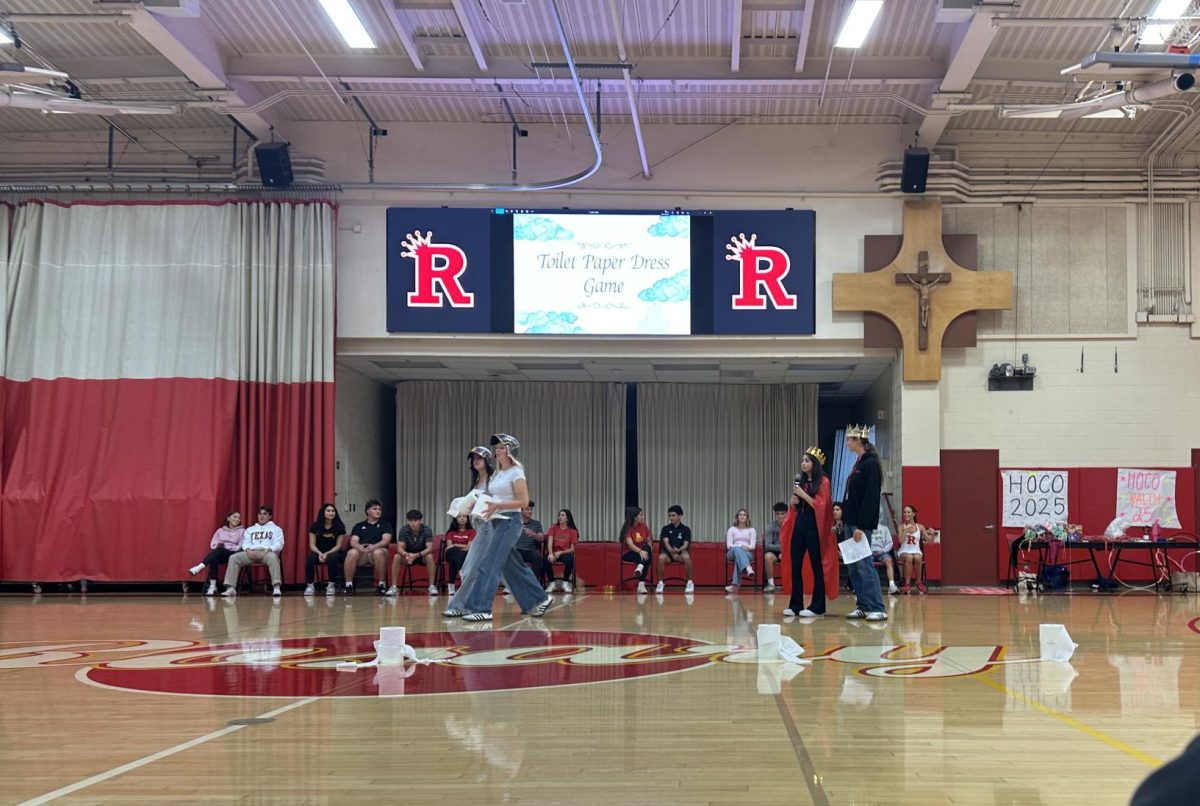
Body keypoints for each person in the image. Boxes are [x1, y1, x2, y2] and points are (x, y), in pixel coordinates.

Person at [443, 433, 552, 622]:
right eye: (497, 447)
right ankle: (539, 599)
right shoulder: (498, 474)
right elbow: (495, 498)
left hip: (510, 522)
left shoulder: (516, 472)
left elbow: (523, 501)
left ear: (510, 450)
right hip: (496, 521)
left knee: (489, 565)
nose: (497, 450)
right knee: (512, 567)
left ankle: (482, 608)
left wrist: (497, 506)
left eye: (501, 447)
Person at [781, 448, 837, 617]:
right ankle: (795, 604)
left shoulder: (823, 482)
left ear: (815, 463)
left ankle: (818, 606)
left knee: (816, 566)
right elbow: (799, 507)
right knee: (795, 564)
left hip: (815, 527)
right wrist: (793, 503)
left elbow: (821, 506)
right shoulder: (802, 482)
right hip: (800, 524)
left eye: (807, 460)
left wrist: (803, 495)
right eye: (802, 460)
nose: (803, 463)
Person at [842, 425, 887, 621]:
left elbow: (870, 498)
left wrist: (861, 526)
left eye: (849, 439)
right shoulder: (858, 463)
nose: (847, 443)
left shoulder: (870, 464)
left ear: (858, 441)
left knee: (865, 565)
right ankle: (864, 605)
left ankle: (877, 606)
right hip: (850, 521)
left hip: (861, 524)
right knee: (853, 566)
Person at [221, 505, 285, 598]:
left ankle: (276, 586)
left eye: (265, 514)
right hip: (251, 552)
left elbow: (279, 544)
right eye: (260, 514)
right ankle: (231, 588)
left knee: (273, 558)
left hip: (267, 552)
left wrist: (267, 550)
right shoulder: (250, 529)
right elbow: (245, 542)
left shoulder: (276, 529)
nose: (261, 516)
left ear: (270, 516)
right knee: (233, 558)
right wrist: (247, 550)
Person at [458, 445, 495, 585]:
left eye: (479, 458)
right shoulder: (477, 481)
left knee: (470, 564)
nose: (476, 460)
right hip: (479, 525)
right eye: (474, 458)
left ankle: (463, 600)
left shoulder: (493, 479)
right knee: (497, 563)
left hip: (489, 524)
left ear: (487, 460)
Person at [342, 499, 393, 596]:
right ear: (367, 511)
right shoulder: (359, 526)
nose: (378, 511)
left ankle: (381, 585)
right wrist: (359, 547)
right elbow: (353, 541)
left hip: (379, 552)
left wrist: (374, 546)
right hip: (363, 553)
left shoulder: (385, 524)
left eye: (379, 509)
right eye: (374, 509)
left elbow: (386, 540)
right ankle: (348, 585)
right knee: (351, 552)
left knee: (378, 552)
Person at [188, 511, 244, 596]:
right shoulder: (220, 531)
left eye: (238, 518)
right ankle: (213, 587)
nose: (237, 519)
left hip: (234, 554)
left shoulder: (242, 531)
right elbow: (213, 544)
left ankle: (199, 567)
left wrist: (228, 547)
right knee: (215, 555)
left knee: (217, 552)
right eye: (234, 517)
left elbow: (241, 545)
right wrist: (219, 545)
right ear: (228, 518)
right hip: (222, 553)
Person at [388, 510, 438, 596]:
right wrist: (406, 554)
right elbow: (400, 548)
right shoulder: (404, 529)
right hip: (408, 556)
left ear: (420, 521)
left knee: (430, 556)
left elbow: (429, 548)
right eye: (410, 520)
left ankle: (432, 586)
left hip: (422, 555)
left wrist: (417, 555)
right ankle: (394, 587)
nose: (413, 523)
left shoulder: (426, 529)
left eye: (415, 520)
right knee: (397, 556)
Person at [303, 503, 346, 596]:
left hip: (334, 551)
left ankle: (331, 585)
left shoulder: (340, 526)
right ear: (323, 513)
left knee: (332, 559)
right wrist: (319, 553)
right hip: (318, 551)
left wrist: (327, 553)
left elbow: (338, 545)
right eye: (328, 511)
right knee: (310, 559)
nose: (331, 513)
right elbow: (312, 544)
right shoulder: (315, 526)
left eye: (333, 511)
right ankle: (310, 586)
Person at [655, 505, 695, 594]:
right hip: (668, 553)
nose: (671, 518)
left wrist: (679, 550)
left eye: (673, 515)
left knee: (686, 557)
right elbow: (666, 542)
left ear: (680, 516)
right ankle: (660, 583)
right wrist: (672, 551)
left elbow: (686, 544)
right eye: (670, 516)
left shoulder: (686, 529)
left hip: (680, 553)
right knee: (661, 558)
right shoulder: (665, 528)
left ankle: (689, 583)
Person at [620, 506, 653, 594]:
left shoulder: (643, 525)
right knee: (646, 557)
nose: (643, 517)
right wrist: (640, 551)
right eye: (641, 515)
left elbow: (649, 539)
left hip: (642, 552)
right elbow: (630, 544)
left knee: (646, 550)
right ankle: (641, 585)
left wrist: (649, 546)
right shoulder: (628, 528)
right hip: (630, 553)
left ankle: (640, 567)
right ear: (635, 517)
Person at [545, 508, 579, 593]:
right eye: (559, 515)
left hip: (564, 553)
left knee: (570, 560)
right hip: (553, 553)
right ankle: (552, 583)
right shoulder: (553, 527)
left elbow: (572, 549)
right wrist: (550, 553)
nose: (560, 517)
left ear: (567, 518)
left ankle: (565, 583)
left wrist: (561, 552)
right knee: (545, 560)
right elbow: (550, 542)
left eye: (563, 515)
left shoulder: (573, 531)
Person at [897, 505, 927, 594]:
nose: (906, 514)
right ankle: (907, 584)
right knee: (909, 557)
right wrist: (905, 530)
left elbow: (930, 541)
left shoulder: (920, 527)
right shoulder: (901, 527)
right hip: (903, 552)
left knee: (918, 557)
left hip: (916, 551)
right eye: (905, 512)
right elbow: (901, 541)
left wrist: (932, 535)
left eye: (908, 512)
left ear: (913, 514)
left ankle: (919, 582)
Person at [725, 508, 757, 593]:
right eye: (740, 515)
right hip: (732, 553)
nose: (742, 516)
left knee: (738, 560)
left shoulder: (751, 530)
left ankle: (735, 586)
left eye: (744, 515)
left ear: (747, 517)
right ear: (737, 517)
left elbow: (753, 546)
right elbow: (729, 546)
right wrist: (740, 547)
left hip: (747, 553)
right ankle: (748, 567)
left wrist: (746, 548)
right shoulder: (732, 529)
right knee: (737, 550)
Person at [515, 501, 547, 587]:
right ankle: (513, 585)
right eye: (527, 509)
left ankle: (534, 584)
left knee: (537, 557)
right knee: (510, 557)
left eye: (531, 509)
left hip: (530, 550)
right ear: (521, 511)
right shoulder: (515, 523)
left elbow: (542, 538)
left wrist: (533, 534)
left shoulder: (536, 524)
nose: (530, 511)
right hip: (517, 550)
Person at [443, 513, 475, 596]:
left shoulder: (471, 532)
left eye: (464, 516)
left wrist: (456, 545)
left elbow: (469, 547)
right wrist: (458, 547)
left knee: (454, 559)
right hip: (451, 553)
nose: (462, 518)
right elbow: (449, 547)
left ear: (467, 519)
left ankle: (451, 585)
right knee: (455, 552)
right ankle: (462, 571)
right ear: (455, 519)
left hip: (465, 555)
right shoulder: (451, 532)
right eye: (459, 516)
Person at [762, 502, 786, 593]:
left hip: (788, 551)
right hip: (774, 552)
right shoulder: (770, 527)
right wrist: (781, 549)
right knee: (767, 557)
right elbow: (768, 545)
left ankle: (793, 584)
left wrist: (785, 552)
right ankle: (771, 584)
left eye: (782, 514)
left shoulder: (792, 525)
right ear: (775, 514)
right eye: (778, 514)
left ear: (786, 514)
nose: (780, 516)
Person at [870, 521, 898, 595]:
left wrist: (883, 550)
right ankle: (867, 586)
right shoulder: (867, 527)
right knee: (866, 562)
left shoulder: (885, 528)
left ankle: (892, 585)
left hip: (882, 552)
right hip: (870, 552)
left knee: (888, 560)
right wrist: (869, 551)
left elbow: (890, 542)